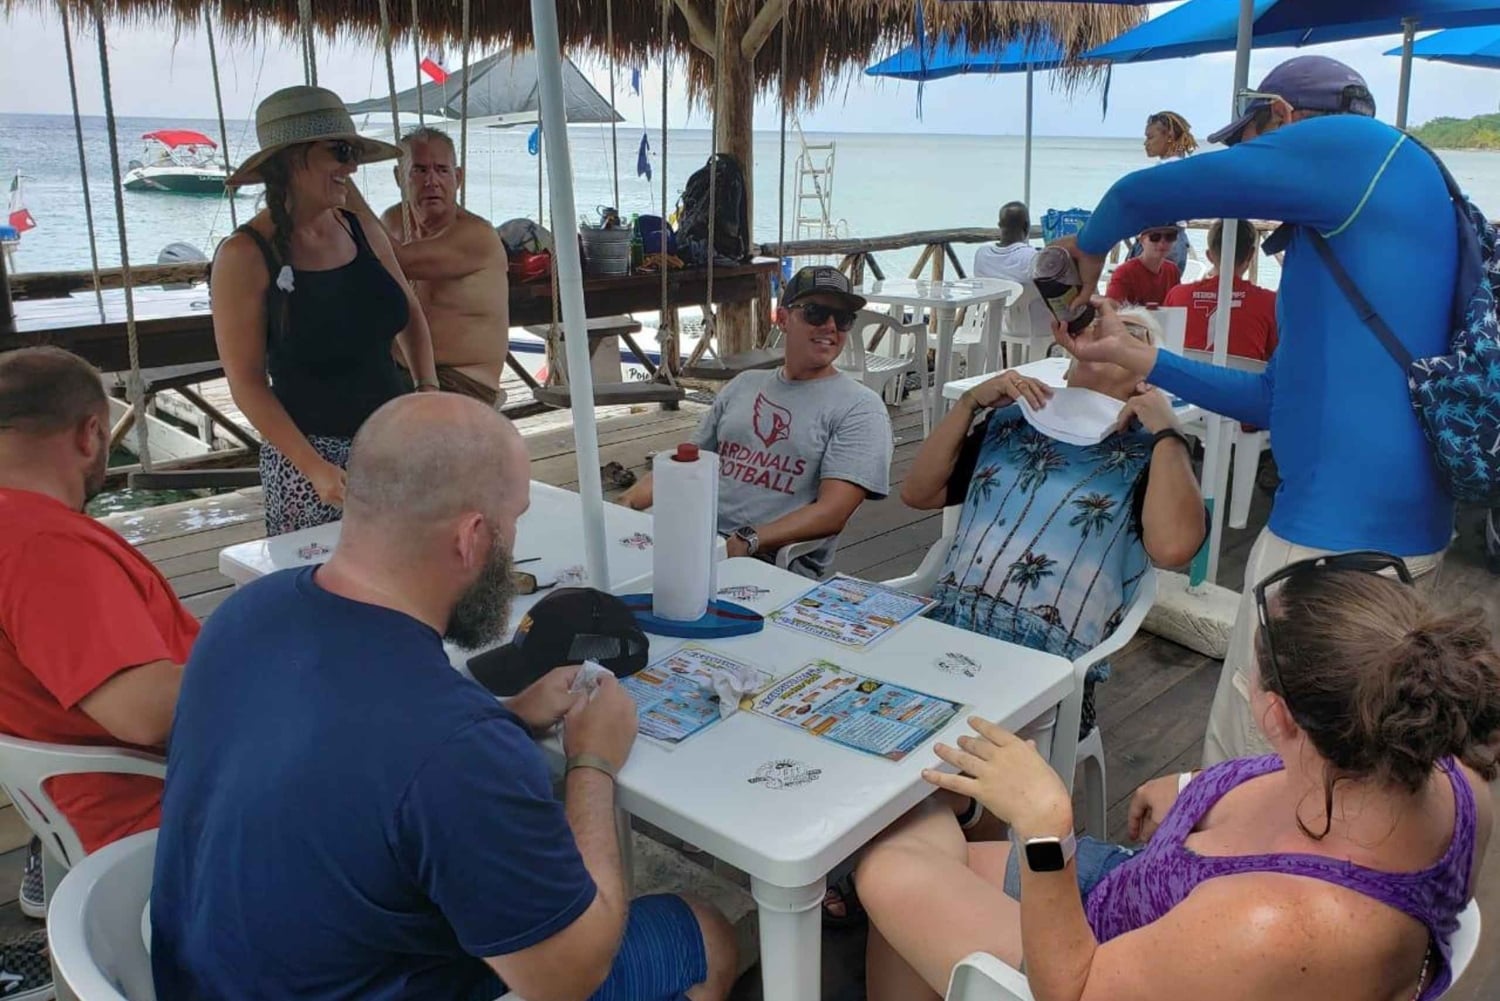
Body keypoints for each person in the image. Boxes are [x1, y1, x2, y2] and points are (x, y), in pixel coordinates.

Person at [151, 393, 737, 1000]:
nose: (512, 545)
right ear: (472, 537)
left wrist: (503, 717)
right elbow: (569, 974)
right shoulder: (454, 747)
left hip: (209, 978)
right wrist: (593, 762)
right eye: (513, 522)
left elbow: (357, 753)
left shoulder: (246, 613)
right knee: (704, 932)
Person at [1052, 55, 1459, 766]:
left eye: (1252, 141)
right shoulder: (1360, 221)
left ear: (1284, 117)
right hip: (1386, 538)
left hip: (1331, 543)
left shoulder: (1355, 147)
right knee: (1342, 769)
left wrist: (1085, 252)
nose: (1250, 164)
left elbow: (1140, 191)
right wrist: (1139, 359)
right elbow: (1274, 398)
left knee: (1248, 761)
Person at [856, 553, 1497, 1001]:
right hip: (1139, 897)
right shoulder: (1437, 762)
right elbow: (1291, 781)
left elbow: (1074, 992)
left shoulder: (1281, 923)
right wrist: (1193, 787)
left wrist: (1047, 827)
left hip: (1100, 961)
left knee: (888, 858)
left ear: (1275, 714)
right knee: (919, 843)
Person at [903, 304, 1206, 739]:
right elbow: (918, 493)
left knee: (956, 758)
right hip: (945, 632)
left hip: (1049, 667)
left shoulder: (1153, 453)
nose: (1112, 333)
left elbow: (1174, 547)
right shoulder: (1010, 422)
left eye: (1133, 334)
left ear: (1146, 376)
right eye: (1104, 326)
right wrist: (970, 403)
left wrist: (1168, 433)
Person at [0, 348, 196, 920]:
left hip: (82, 790)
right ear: (91, 434)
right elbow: (143, 714)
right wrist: (265, 651)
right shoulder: (44, 550)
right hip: (165, 804)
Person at [212, 85, 439, 537]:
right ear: (291, 160)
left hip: (394, 444)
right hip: (312, 467)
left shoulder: (359, 229)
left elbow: (409, 312)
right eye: (339, 151)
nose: (351, 166)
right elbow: (247, 383)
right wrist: (314, 468)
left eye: (353, 152)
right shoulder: (244, 255)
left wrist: (427, 389)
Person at [621, 266, 894, 578]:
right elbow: (686, 461)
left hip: (768, 560)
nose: (830, 326)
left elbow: (833, 512)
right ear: (782, 319)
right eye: (816, 313)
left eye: (843, 318)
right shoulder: (744, 384)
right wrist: (626, 504)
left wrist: (749, 539)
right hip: (691, 535)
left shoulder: (860, 408)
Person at [366, 126, 512, 408]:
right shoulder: (394, 221)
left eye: (442, 170)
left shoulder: (476, 235)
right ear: (399, 177)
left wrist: (340, 183)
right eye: (419, 170)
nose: (431, 181)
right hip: (400, 373)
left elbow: (401, 261)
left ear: (458, 178)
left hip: (463, 382)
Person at [1163, 218, 1278, 361]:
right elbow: (1277, 358)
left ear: (1209, 255)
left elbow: (1166, 350)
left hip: (1187, 381)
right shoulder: (1270, 303)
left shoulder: (1177, 296)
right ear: (1251, 255)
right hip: (1243, 382)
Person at [972, 201, 1053, 338]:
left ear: (999, 225)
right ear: (1027, 226)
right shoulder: (1031, 258)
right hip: (1039, 328)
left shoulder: (982, 254)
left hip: (999, 325)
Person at [1133, 111, 1197, 271]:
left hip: (1159, 240)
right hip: (1176, 238)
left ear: (1169, 136)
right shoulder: (1184, 167)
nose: (1146, 143)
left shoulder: (1167, 170)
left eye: (1150, 137)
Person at [1107, 226, 1181, 306]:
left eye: (1170, 237)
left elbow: (1177, 305)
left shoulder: (1172, 270)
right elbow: (1111, 309)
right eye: (1155, 237)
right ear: (1142, 241)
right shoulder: (1124, 272)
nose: (1162, 242)